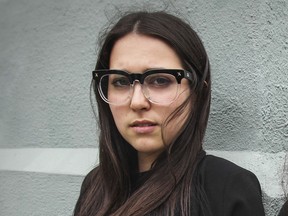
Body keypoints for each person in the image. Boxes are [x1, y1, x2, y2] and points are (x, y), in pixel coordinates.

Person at [73, 10, 265, 216]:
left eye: (160, 80)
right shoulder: (95, 186)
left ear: (198, 91)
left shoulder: (226, 188)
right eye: (120, 81)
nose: (137, 102)